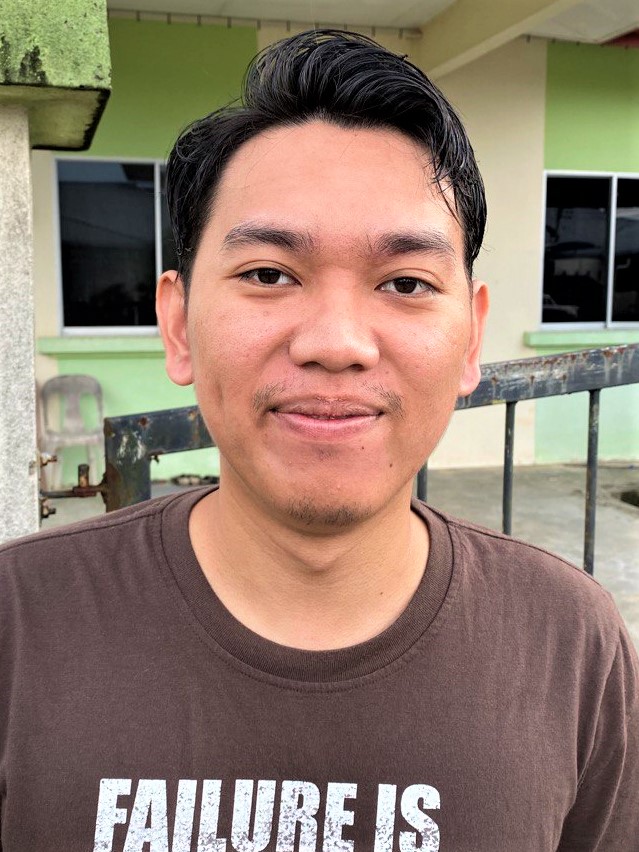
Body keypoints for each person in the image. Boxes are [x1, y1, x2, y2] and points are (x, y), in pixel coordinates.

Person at [0, 29, 637, 852]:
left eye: (404, 283)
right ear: (178, 323)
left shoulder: (568, 643)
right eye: (268, 274)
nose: (336, 342)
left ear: (471, 338)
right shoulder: (20, 622)